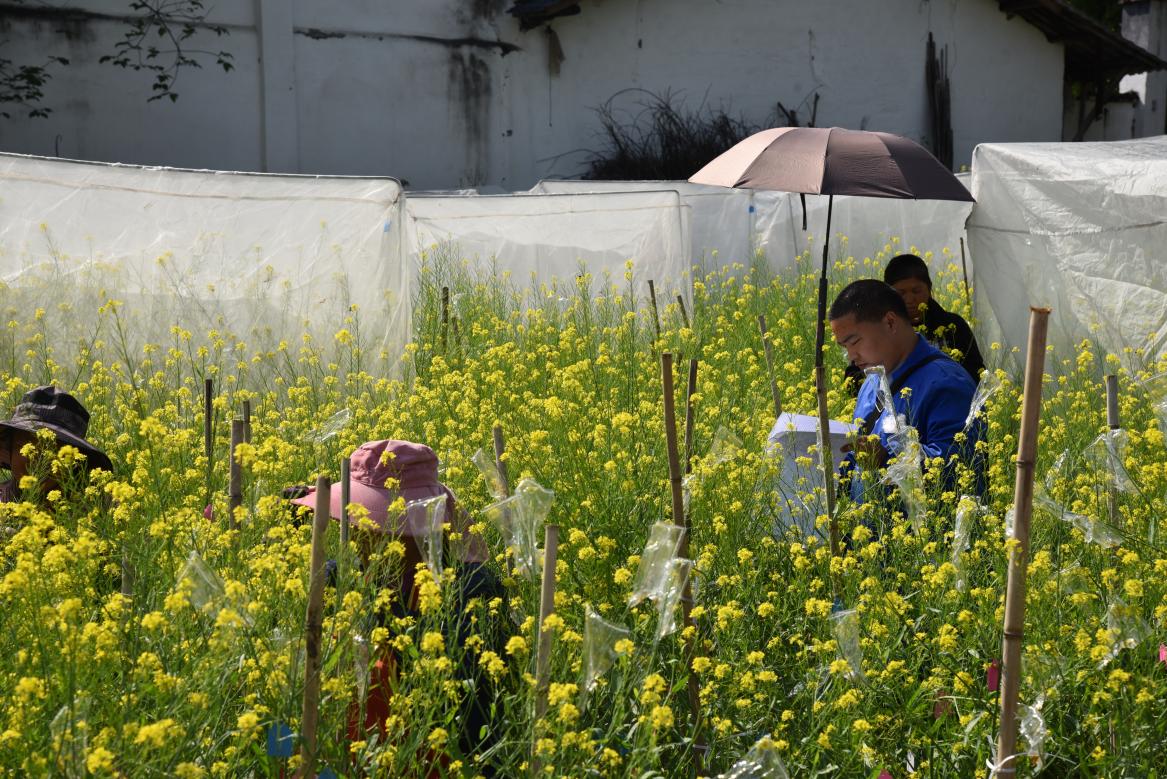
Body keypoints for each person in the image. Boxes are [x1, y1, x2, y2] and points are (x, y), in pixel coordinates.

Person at [291, 439, 502, 776]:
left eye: (365, 521)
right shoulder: (354, 574)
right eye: (353, 521)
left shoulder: (470, 592)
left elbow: (469, 721)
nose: (355, 532)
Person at [830, 280, 980, 493]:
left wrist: (886, 459)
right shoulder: (871, 383)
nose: (851, 356)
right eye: (844, 347)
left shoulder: (946, 383)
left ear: (890, 323)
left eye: (854, 342)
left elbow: (958, 473)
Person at [843, 253, 985, 393]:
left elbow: (976, 373)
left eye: (916, 291)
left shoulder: (953, 326)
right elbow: (854, 379)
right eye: (901, 293)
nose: (910, 299)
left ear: (929, 289)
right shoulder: (878, 331)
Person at [0, 385, 112, 502]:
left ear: (74, 460)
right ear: (10, 449)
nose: (37, 460)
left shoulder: (99, 506)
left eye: (51, 449)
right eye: (24, 447)